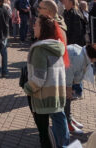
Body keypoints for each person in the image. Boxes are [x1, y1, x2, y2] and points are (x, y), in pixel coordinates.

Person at [23, 15, 70, 148]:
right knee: (58, 126)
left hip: (42, 98)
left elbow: (38, 78)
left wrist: (27, 88)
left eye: (36, 24)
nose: (33, 27)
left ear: (43, 28)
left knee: (45, 136)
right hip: (56, 95)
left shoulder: (39, 50)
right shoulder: (57, 46)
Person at [64, 43, 96, 135]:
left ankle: (69, 118)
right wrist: (69, 88)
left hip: (65, 78)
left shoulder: (83, 54)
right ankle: (67, 123)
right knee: (66, 99)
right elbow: (69, 73)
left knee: (68, 100)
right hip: (60, 78)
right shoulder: (79, 57)